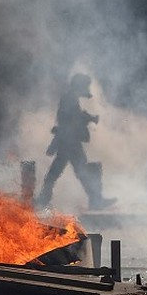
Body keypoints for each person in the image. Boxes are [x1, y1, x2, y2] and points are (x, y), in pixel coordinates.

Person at [36, 73, 116, 210]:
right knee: (80, 171)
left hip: (68, 141)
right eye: (84, 85)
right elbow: (71, 118)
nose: (86, 88)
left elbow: (72, 116)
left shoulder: (70, 97)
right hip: (70, 142)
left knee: (61, 172)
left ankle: (43, 199)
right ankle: (96, 200)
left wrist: (86, 117)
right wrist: (88, 118)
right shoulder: (70, 98)